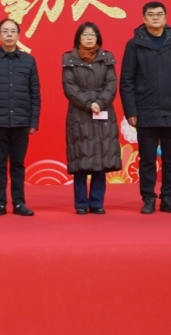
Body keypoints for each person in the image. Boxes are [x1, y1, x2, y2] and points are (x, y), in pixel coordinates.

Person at [120, 2, 171, 215]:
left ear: (165, 18)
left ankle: (168, 198)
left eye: (159, 14)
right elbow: (127, 81)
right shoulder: (134, 45)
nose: (155, 18)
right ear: (144, 19)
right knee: (147, 159)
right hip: (146, 111)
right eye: (151, 15)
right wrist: (131, 111)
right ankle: (148, 198)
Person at [0, 18, 40, 217]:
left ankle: (19, 203)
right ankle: (0, 203)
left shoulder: (28, 61)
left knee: (18, 164)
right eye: (5, 31)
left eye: (13, 31)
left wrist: (33, 121)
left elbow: (35, 93)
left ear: (18, 35)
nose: (9, 34)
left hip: (21, 121)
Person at [62, 22, 121, 215]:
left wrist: (100, 103)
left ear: (98, 38)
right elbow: (69, 87)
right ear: (78, 38)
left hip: (103, 113)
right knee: (80, 159)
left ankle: (97, 202)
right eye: (85, 34)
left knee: (99, 159)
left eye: (92, 34)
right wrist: (89, 104)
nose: (89, 38)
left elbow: (111, 84)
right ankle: (80, 203)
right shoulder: (69, 59)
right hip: (79, 114)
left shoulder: (107, 58)